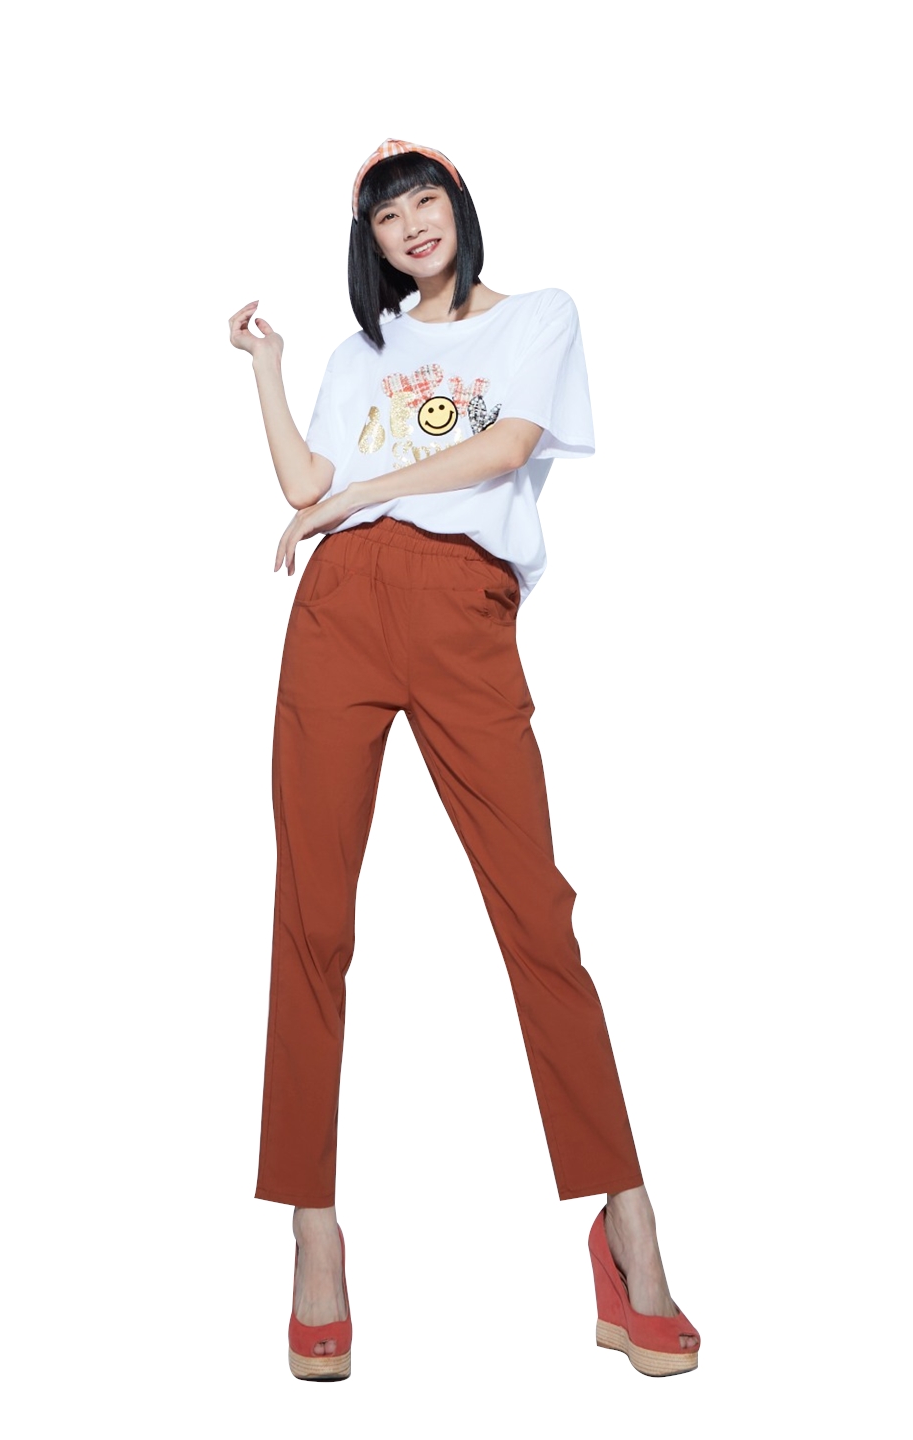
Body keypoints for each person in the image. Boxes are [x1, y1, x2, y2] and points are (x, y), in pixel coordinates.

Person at [228, 138, 700, 1381]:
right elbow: (305, 478)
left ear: (458, 208)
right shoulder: (358, 355)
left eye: (425, 201)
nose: (412, 227)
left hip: (461, 606)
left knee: (536, 914)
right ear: (373, 244)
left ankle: (628, 1222)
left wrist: (347, 499)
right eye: (388, 219)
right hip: (339, 608)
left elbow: (502, 451)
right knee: (312, 917)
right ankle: (313, 1232)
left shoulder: (538, 317)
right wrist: (270, 372)